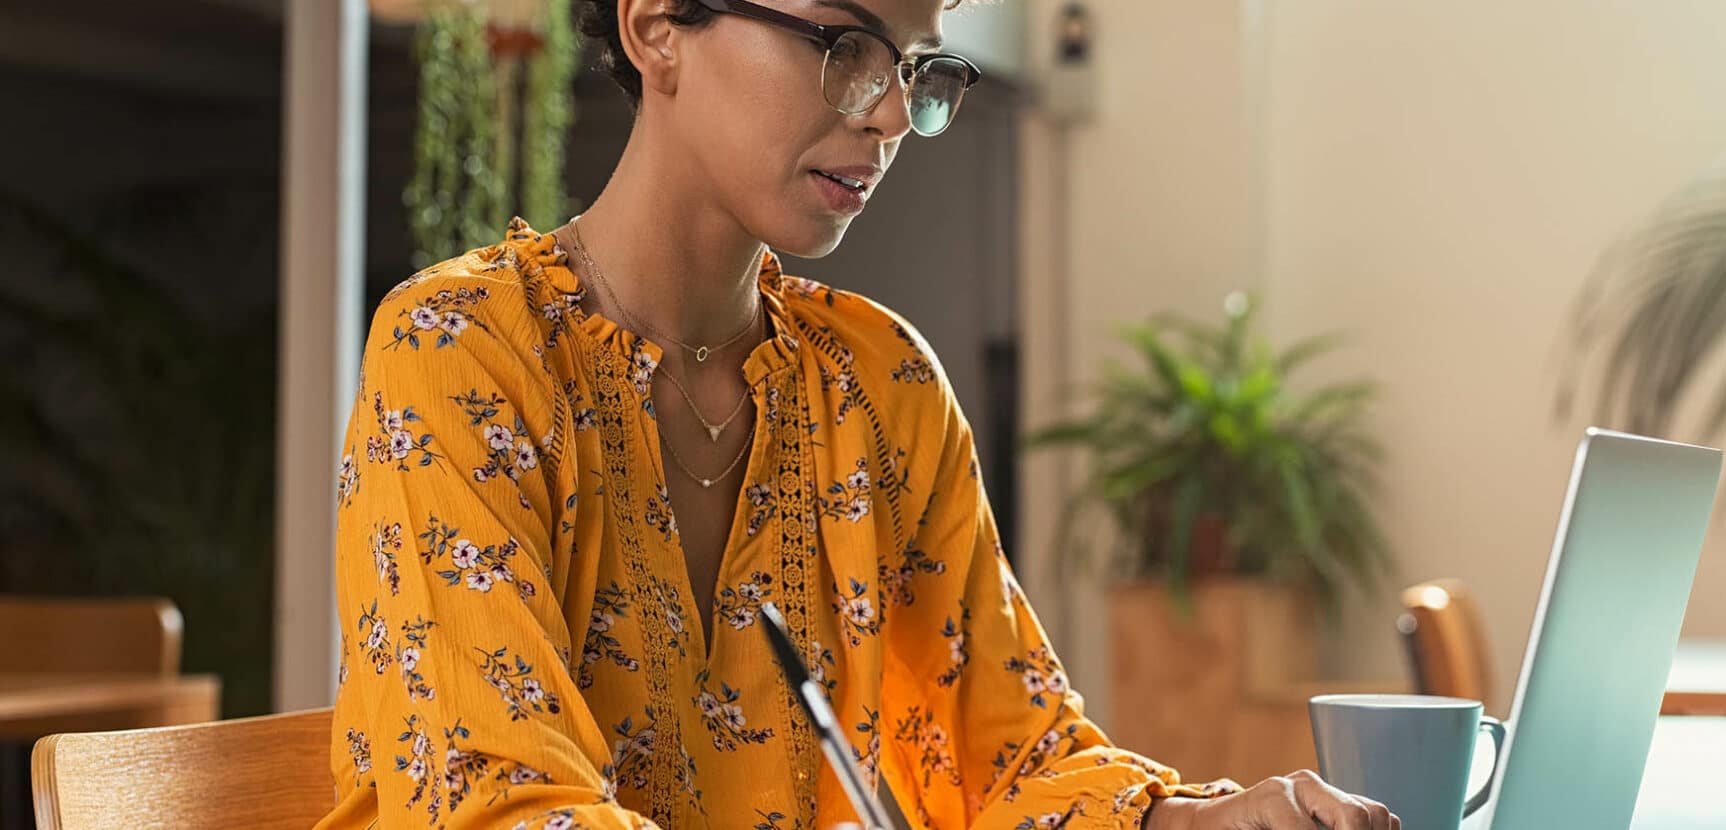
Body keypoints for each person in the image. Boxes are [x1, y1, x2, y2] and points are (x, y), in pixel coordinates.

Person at [316, 1, 1399, 828]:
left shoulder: (880, 384)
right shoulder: (463, 352)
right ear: (656, 27)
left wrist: (1186, 818)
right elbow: (499, 799)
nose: (889, 113)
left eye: (915, 66)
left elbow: (1011, 755)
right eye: (845, 43)